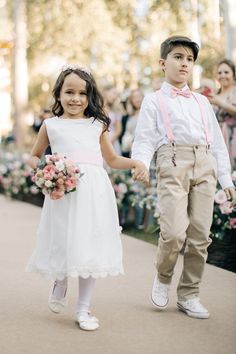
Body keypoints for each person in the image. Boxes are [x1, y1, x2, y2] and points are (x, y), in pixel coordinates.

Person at [26, 64, 148, 331]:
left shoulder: (98, 124)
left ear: (89, 96)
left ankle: (83, 308)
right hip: (63, 191)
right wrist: (46, 170)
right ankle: (60, 279)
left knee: (89, 245)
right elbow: (34, 155)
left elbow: (112, 159)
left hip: (94, 192)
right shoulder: (50, 125)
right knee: (62, 239)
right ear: (58, 94)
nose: (75, 98)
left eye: (82, 93)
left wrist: (136, 163)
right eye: (69, 92)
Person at [132, 36, 236, 319]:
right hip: (172, 161)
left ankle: (189, 293)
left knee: (201, 235)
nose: (184, 64)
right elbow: (144, 139)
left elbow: (217, 143)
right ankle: (164, 276)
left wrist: (226, 181)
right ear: (163, 63)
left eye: (189, 60)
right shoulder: (153, 100)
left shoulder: (202, 102)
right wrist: (140, 163)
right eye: (178, 57)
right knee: (175, 232)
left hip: (205, 163)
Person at [208, 59, 236, 166]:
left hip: (233, 138)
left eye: (226, 72)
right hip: (216, 139)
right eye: (219, 73)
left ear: (233, 74)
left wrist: (221, 103)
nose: (222, 75)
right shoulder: (214, 94)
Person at [103, 85, 122, 154]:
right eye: (114, 93)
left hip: (112, 142)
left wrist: (108, 142)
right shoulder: (96, 108)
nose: (115, 96)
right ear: (105, 92)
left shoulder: (116, 110)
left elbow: (118, 130)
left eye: (117, 95)